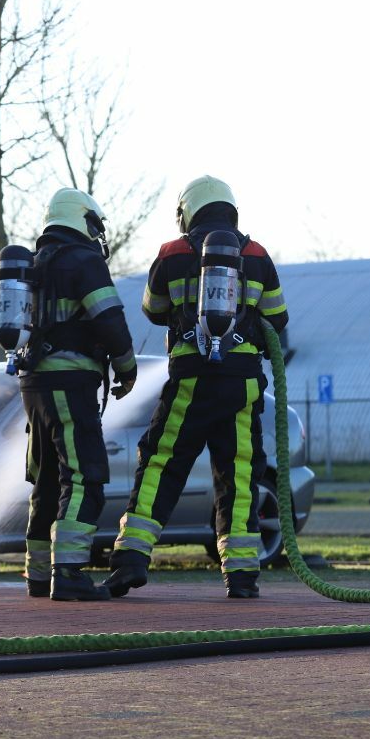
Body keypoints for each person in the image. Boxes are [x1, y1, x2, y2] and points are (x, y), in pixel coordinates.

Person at [103, 176, 288, 599]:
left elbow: (152, 309)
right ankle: (241, 575)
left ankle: (130, 558)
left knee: (161, 462)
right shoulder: (257, 255)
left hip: (190, 380)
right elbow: (277, 318)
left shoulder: (172, 252)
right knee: (240, 473)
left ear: (187, 211)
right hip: (241, 386)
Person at [19, 188, 137, 601]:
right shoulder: (83, 261)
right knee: (85, 475)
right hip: (70, 382)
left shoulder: (32, 265)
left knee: (46, 478)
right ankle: (67, 572)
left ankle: (37, 575)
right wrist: (126, 367)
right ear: (83, 220)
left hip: (32, 386)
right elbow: (109, 318)